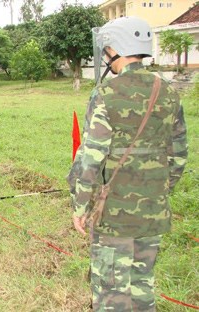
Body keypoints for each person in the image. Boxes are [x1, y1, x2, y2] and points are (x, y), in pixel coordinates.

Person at [67, 16, 188, 311]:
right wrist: (156, 191)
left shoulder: (107, 93)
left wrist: (80, 206)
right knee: (142, 286)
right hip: (154, 211)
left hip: (114, 215)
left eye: (107, 49)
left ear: (115, 50)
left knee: (111, 293)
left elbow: (91, 158)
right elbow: (178, 157)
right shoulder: (168, 91)